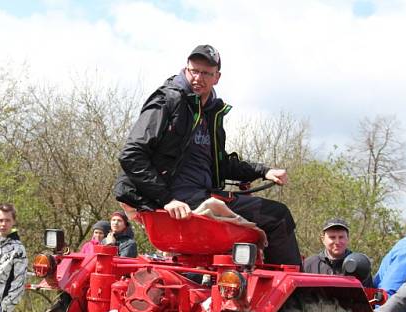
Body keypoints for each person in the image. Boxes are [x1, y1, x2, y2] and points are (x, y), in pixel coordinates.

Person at [114, 44, 301, 266]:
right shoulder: (168, 101)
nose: (198, 78)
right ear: (185, 69)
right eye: (194, 71)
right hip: (179, 200)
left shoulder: (210, 114)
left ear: (217, 77)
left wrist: (265, 171)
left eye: (206, 73)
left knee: (274, 213)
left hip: (202, 194)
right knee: (278, 216)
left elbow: (221, 165)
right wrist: (167, 200)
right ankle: (294, 300)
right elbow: (131, 155)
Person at [303, 217, 374, 287]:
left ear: (348, 238)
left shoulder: (360, 265)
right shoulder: (309, 265)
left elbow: (369, 295)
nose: (337, 242)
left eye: (341, 237)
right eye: (332, 237)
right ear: (323, 239)